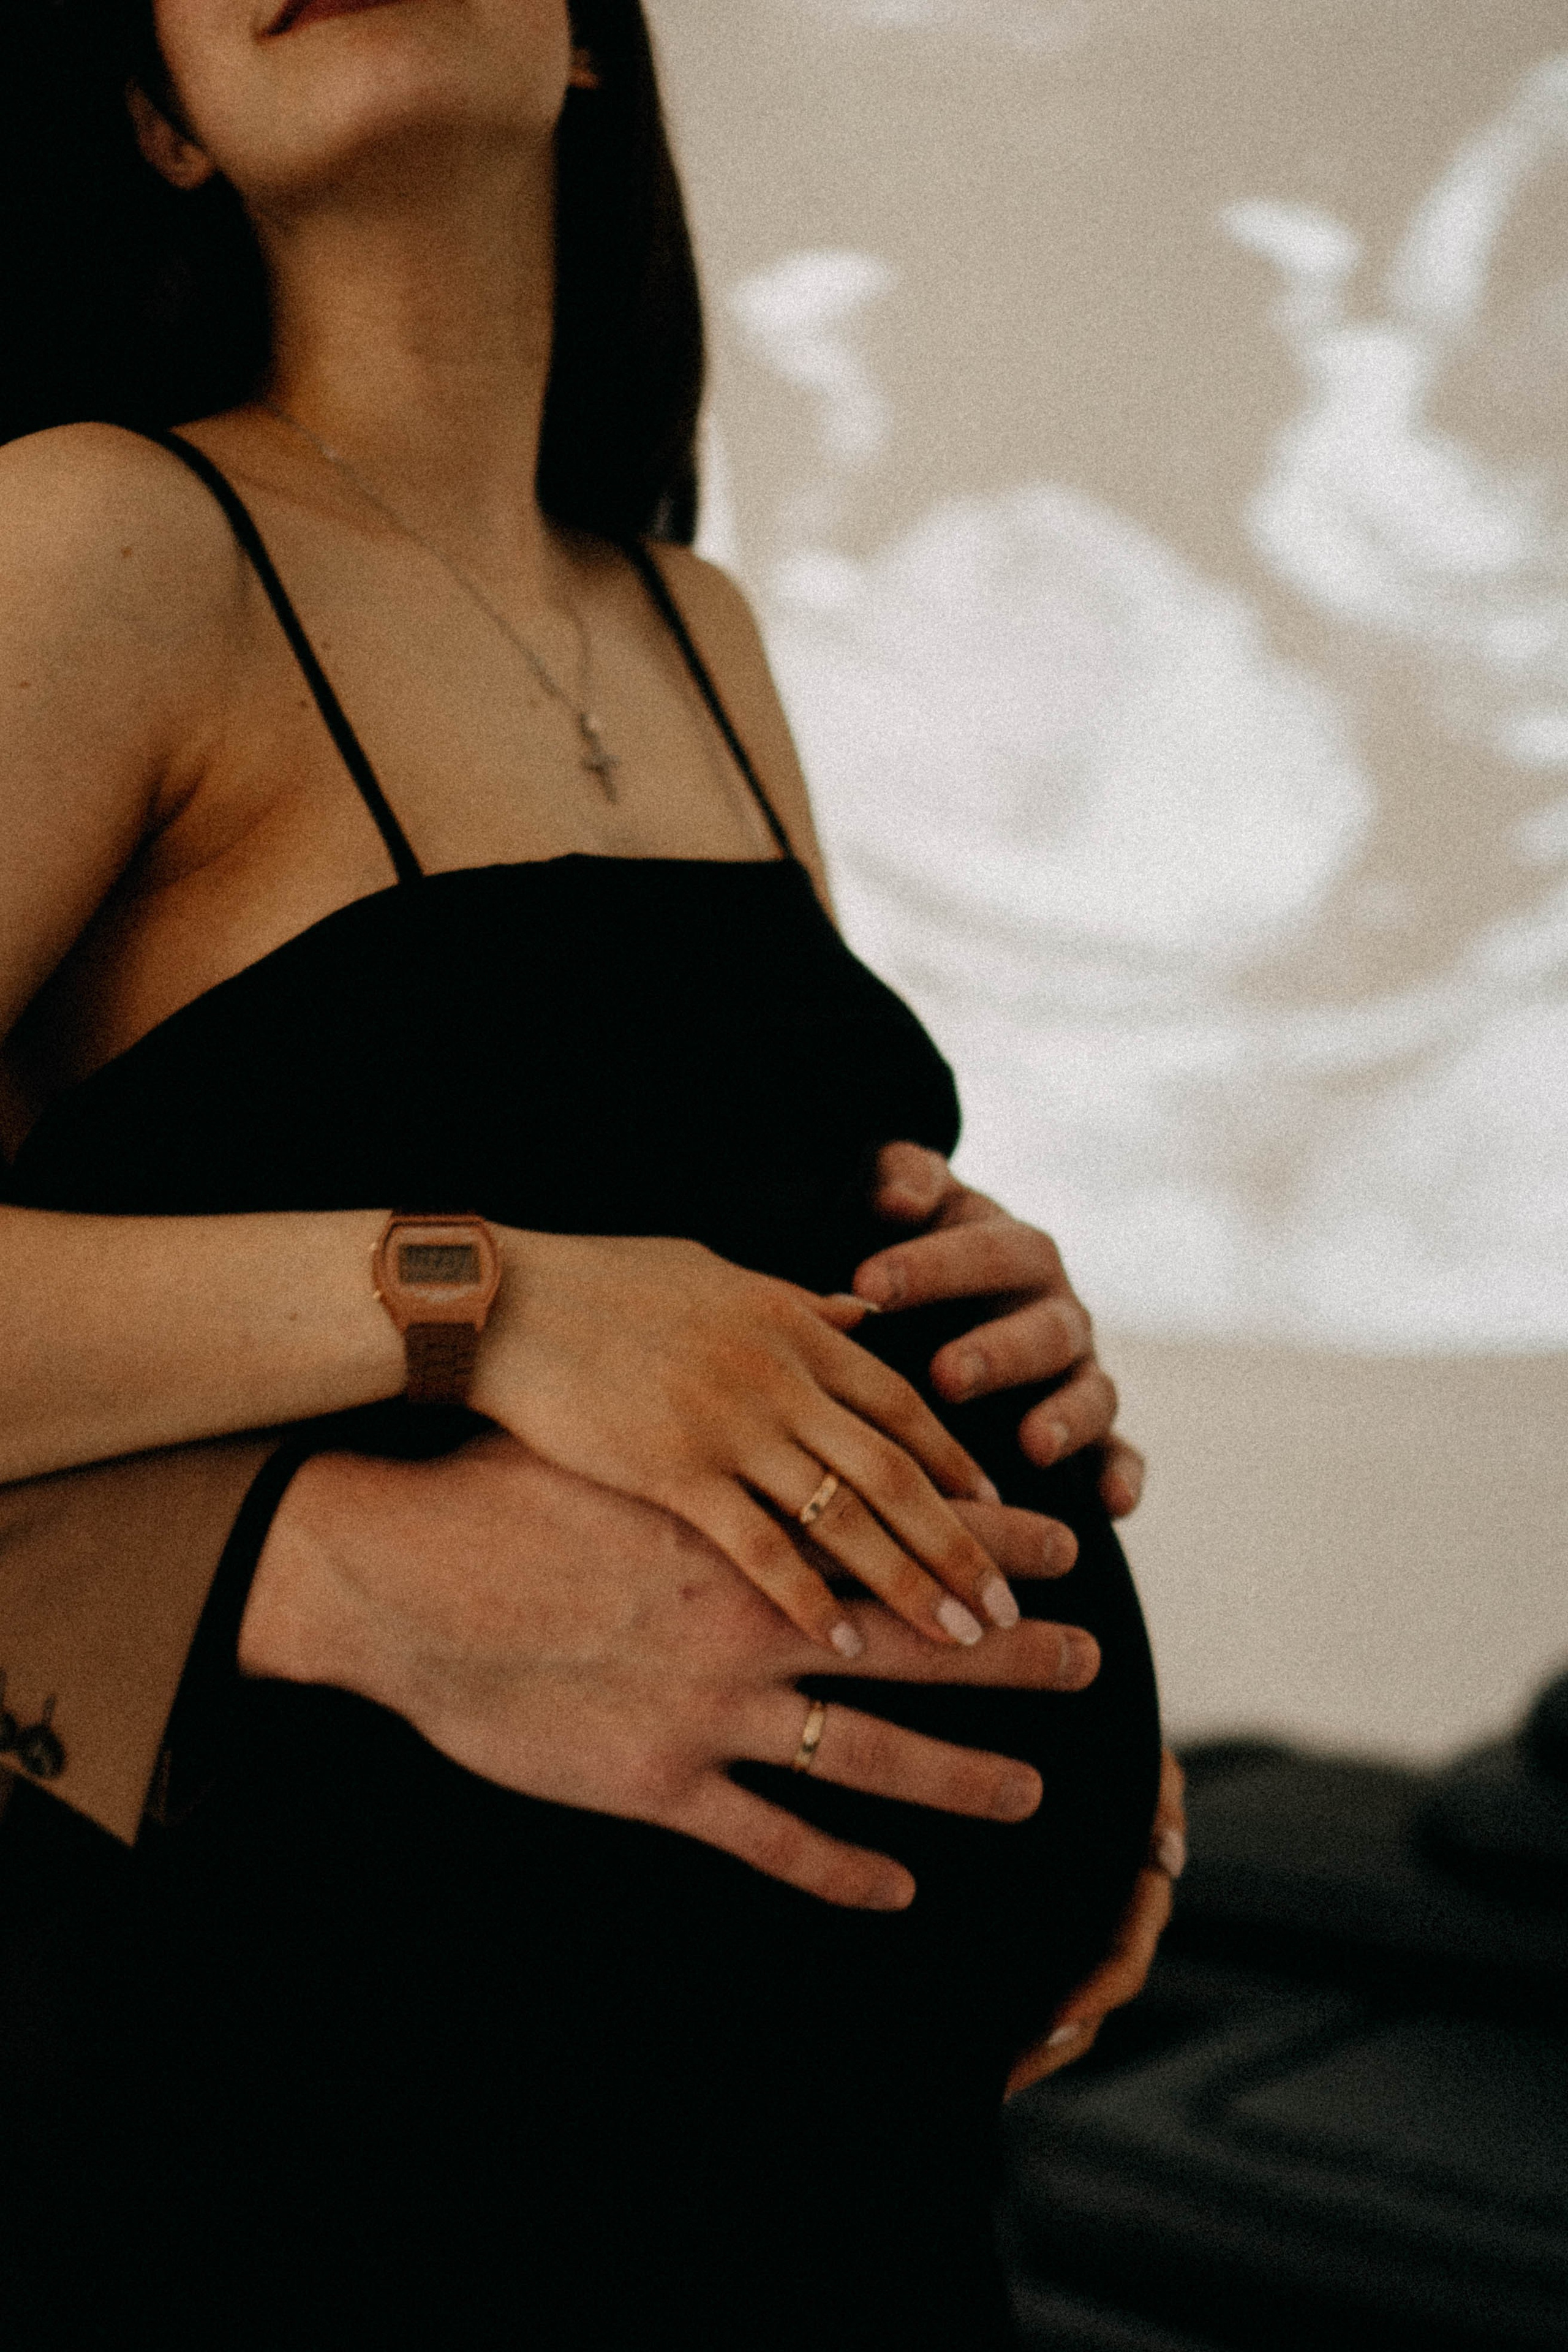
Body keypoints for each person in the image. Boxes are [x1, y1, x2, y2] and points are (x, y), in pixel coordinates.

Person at [0, 1, 1179, 2342]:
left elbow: (750, 1249)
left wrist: (990, 1372)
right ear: (155, 111)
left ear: (585, 48)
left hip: (834, 2172)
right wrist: (499, 1302)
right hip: (306, 2144)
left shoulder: (701, 627)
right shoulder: (101, 535)